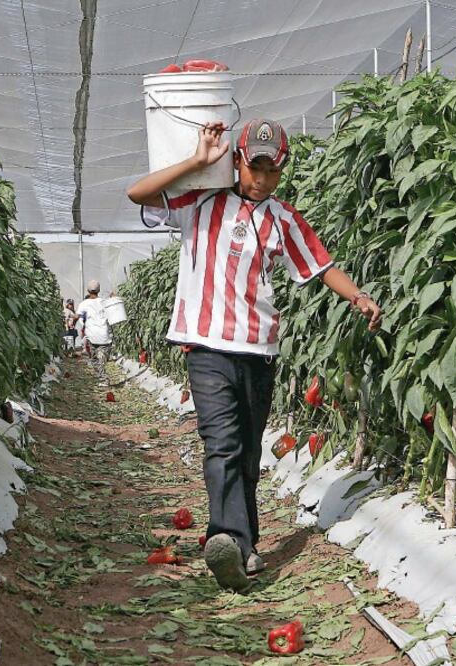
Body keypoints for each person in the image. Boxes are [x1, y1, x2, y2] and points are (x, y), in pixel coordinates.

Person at [126, 118, 382, 591]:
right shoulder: (199, 201)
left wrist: (358, 296)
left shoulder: (282, 219)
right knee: (221, 443)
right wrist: (198, 161)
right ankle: (226, 539)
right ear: (236, 161)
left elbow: (321, 265)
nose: (262, 180)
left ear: (281, 170)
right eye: (254, 167)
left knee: (246, 450)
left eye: (272, 170)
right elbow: (138, 193)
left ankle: (242, 545)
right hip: (206, 346)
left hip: (259, 349)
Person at [76, 280, 113, 385]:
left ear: (87, 290)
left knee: (94, 360)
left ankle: (104, 378)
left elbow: (77, 316)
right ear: (99, 290)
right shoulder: (104, 302)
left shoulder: (84, 304)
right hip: (105, 335)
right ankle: (103, 375)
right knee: (101, 359)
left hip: (92, 336)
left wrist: (72, 321)